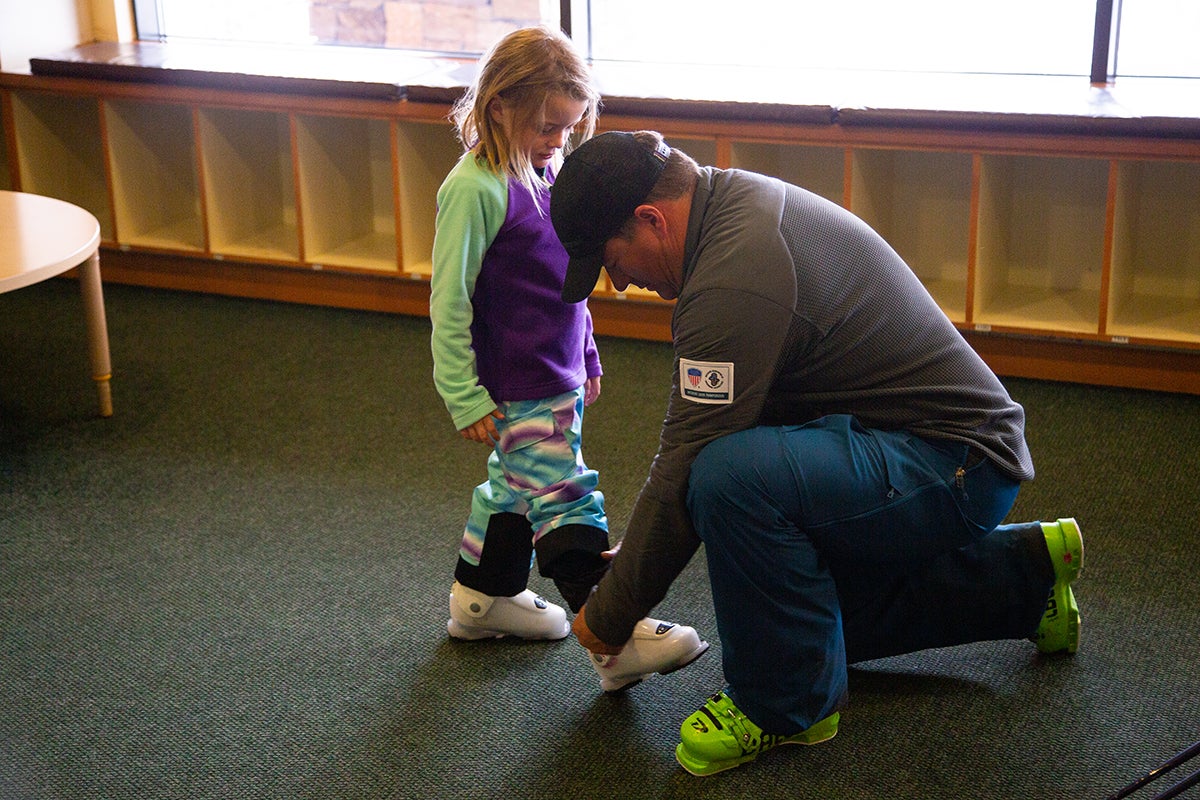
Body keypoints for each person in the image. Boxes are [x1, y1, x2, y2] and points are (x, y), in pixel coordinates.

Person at [548, 130, 1084, 776]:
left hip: (955, 466)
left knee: (726, 481)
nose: (619, 281)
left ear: (651, 219)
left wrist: (609, 616)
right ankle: (1025, 578)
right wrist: (637, 554)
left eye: (612, 259)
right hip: (920, 448)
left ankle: (786, 707)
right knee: (796, 618)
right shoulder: (730, 207)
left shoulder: (732, 281)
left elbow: (688, 456)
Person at [428, 31, 708, 692]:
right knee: (561, 493)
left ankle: (484, 597)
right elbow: (449, 299)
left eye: (569, 127)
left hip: (559, 373)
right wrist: (462, 393)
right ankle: (614, 638)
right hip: (517, 383)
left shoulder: (548, 171)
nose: (559, 140)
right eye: (547, 126)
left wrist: (587, 353)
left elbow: (566, 283)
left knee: (516, 486)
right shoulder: (474, 190)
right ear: (499, 107)